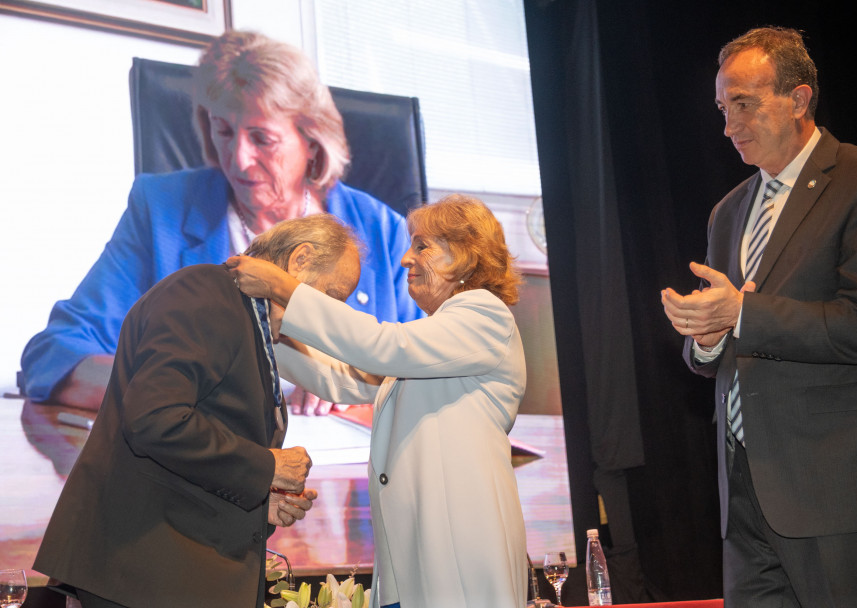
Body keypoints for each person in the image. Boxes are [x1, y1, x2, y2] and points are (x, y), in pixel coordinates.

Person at [20, 29, 421, 411]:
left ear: (312, 141)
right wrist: (171, 386)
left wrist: (354, 378)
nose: (239, 158)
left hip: (351, 469)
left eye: (262, 138)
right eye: (224, 131)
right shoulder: (161, 212)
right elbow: (55, 353)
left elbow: (440, 370)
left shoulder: (382, 232)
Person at [661, 27, 857, 606]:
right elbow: (723, 343)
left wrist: (742, 313)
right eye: (723, 108)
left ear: (798, 100)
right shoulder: (728, 212)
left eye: (743, 104)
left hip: (839, 489)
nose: (727, 126)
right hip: (745, 493)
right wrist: (705, 337)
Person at [33, 214, 362, 608]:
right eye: (334, 295)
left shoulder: (246, 318)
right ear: (299, 261)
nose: (332, 315)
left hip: (170, 576)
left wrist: (260, 500)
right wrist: (264, 467)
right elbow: (156, 419)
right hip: (143, 577)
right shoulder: (207, 292)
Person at [227, 194, 528, 608]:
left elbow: (382, 347)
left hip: (459, 543)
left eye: (422, 245)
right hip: (411, 553)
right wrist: (265, 326)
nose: (405, 258)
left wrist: (281, 286)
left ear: (465, 256)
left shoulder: (484, 315)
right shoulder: (432, 341)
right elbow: (340, 379)